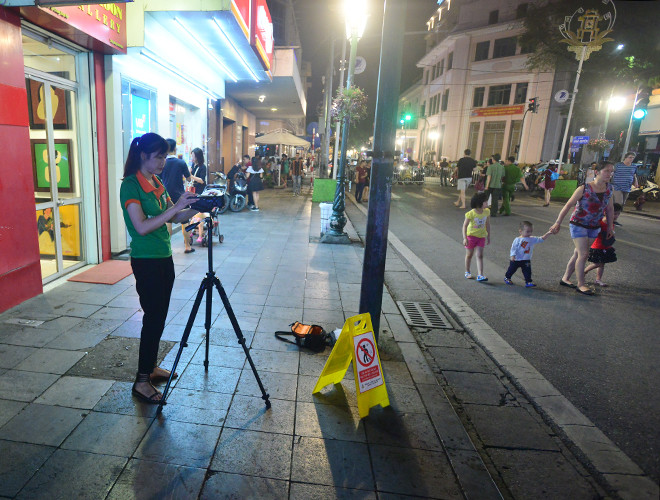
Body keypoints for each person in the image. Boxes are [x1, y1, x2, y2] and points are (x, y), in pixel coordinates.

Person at [120, 133, 199, 403]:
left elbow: (175, 217)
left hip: (164, 257)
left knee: (160, 316)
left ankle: (151, 368)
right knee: (152, 317)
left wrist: (198, 206)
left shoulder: (156, 182)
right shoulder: (131, 185)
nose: (164, 161)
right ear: (144, 156)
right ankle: (142, 381)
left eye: (165, 156)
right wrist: (175, 208)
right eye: (159, 157)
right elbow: (141, 226)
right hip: (146, 261)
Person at [550, 161, 615, 296]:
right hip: (578, 224)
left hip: (594, 226)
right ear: (597, 172)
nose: (610, 174)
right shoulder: (584, 188)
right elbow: (568, 205)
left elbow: (609, 209)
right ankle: (581, 284)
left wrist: (609, 227)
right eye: (606, 171)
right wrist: (557, 223)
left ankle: (565, 278)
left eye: (611, 171)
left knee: (578, 253)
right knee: (584, 254)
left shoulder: (609, 189)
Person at [161, 139, 196, 253]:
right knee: (185, 221)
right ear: (175, 149)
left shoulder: (162, 163)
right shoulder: (181, 163)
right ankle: (187, 246)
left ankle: (167, 246)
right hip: (179, 195)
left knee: (168, 220)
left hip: (166, 195)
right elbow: (189, 179)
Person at [504, 221, 552, 287]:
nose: (530, 233)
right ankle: (507, 278)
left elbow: (541, 239)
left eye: (531, 231)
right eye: (527, 231)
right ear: (520, 231)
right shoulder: (517, 240)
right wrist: (512, 255)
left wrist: (548, 233)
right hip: (516, 259)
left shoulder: (532, 239)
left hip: (526, 259)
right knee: (511, 269)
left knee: (527, 271)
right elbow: (513, 248)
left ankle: (528, 281)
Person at [584, 203, 622, 287]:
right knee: (598, 264)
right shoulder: (602, 222)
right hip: (598, 246)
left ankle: (598, 279)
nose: (616, 216)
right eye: (614, 213)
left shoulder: (611, 223)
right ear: (606, 212)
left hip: (605, 246)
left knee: (602, 264)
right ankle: (584, 271)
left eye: (618, 214)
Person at [462, 191, 490, 282]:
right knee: (469, 255)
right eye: (485, 201)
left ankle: (480, 275)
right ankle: (467, 271)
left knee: (480, 255)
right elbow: (464, 226)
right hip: (471, 237)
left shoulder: (487, 212)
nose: (487, 203)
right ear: (479, 203)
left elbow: (488, 224)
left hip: (481, 237)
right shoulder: (471, 213)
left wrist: (488, 236)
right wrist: (465, 238)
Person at [188, 148, 208, 243]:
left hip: (200, 190)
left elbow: (202, 180)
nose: (192, 157)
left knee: (198, 209)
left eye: (193, 156)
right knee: (193, 209)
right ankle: (193, 228)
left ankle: (198, 229)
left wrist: (191, 175)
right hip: (193, 190)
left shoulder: (203, 167)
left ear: (198, 157)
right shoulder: (193, 165)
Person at [612, 152, 638, 218]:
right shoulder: (618, 165)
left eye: (633, 158)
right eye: (630, 157)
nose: (631, 159)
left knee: (622, 203)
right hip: (617, 186)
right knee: (619, 202)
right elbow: (612, 173)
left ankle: (615, 216)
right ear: (626, 157)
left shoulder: (634, 166)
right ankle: (612, 216)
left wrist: (636, 182)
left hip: (627, 187)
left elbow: (634, 175)